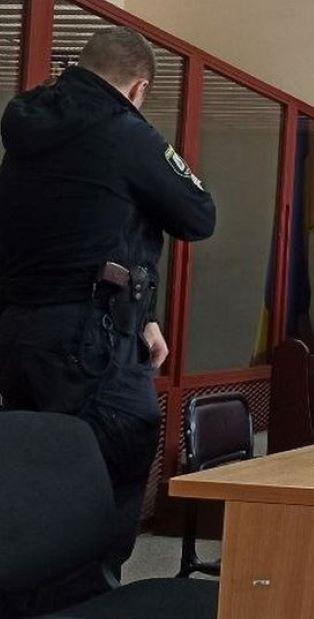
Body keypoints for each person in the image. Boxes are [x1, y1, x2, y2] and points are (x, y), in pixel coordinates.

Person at [0, 27, 216, 588]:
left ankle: (23, 618)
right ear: (139, 88)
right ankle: (85, 615)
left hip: (21, 333)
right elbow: (198, 215)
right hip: (89, 345)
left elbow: (89, 229)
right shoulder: (125, 132)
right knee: (113, 460)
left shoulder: (27, 125)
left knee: (32, 475)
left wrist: (145, 316)